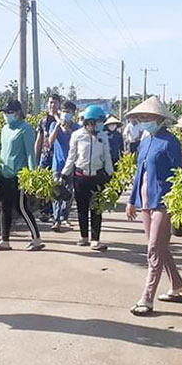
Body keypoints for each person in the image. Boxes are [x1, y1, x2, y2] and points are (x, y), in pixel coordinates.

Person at [125, 97, 182, 317]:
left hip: (164, 202)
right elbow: (138, 174)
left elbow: (180, 176)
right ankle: (178, 286)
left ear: (160, 119)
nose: (144, 120)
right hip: (145, 203)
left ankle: (147, 298)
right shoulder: (145, 141)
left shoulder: (170, 143)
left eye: (148, 117)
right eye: (141, 117)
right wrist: (132, 201)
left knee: (153, 249)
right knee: (160, 247)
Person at [0, 99, 44, 252]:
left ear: (17, 113)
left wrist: (32, 174)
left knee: (21, 207)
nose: (6, 115)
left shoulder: (25, 129)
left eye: (9, 112)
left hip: (19, 175)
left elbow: (30, 153)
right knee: (5, 207)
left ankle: (36, 239)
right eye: (4, 113)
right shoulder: (4, 129)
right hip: (4, 173)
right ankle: (4, 241)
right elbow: (3, 151)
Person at [62, 105, 114, 251]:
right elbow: (71, 156)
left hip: (97, 177)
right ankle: (84, 236)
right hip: (80, 176)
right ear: (89, 121)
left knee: (97, 209)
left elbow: (107, 157)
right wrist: (65, 174)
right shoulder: (77, 135)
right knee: (81, 207)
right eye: (98, 121)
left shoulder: (103, 136)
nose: (100, 124)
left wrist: (111, 174)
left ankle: (95, 239)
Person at [48, 101, 80, 232]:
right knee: (56, 193)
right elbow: (50, 141)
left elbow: (77, 141)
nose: (66, 114)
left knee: (69, 193)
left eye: (69, 112)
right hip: (57, 165)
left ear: (73, 114)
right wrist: (57, 126)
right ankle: (56, 220)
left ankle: (63, 216)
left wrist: (68, 130)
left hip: (72, 165)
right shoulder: (53, 125)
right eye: (64, 111)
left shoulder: (77, 128)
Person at [35, 94, 62, 222]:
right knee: (43, 183)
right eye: (51, 103)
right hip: (45, 155)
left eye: (55, 103)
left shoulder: (62, 120)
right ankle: (44, 211)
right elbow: (39, 139)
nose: (53, 105)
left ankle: (55, 212)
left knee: (56, 184)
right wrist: (36, 157)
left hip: (58, 156)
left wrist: (58, 117)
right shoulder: (43, 121)